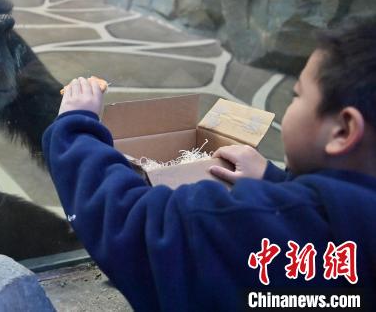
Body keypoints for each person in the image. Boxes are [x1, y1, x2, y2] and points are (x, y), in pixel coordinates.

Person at [42, 17, 376, 311]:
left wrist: (76, 128)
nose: (293, 103)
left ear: (343, 131)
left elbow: (131, 222)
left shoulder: (240, 224)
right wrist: (275, 181)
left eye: (297, 95)